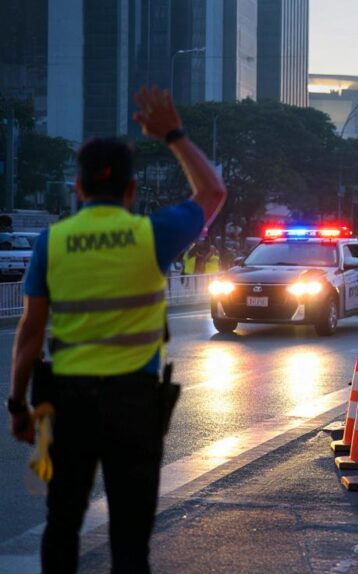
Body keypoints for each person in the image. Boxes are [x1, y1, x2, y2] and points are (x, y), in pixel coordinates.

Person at [6, 85, 227, 572]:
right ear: (131, 191)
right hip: (134, 405)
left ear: (77, 189)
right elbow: (213, 192)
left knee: (62, 524)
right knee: (130, 538)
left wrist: (18, 405)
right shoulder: (151, 234)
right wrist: (173, 135)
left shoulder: (51, 243)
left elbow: (29, 334)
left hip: (67, 403)